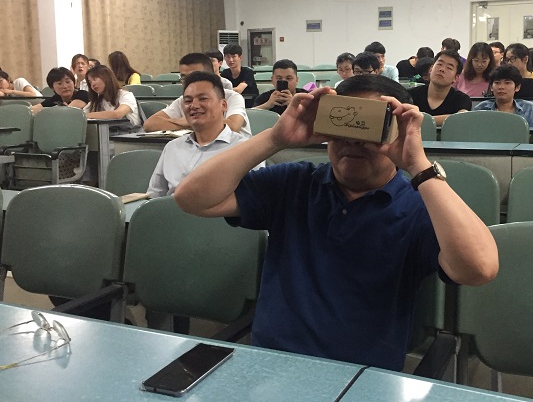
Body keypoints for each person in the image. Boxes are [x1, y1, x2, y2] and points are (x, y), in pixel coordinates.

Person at [173, 75, 499, 371]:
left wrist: (418, 165)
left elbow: (480, 268)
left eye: (369, 126)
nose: (353, 140)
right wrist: (275, 138)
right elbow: (191, 197)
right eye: (343, 122)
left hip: (361, 379)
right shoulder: (295, 182)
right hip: (270, 367)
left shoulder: (417, 206)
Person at [147, 72, 258, 197]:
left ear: (223, 105)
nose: (194, 106)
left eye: (203, 99)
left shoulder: (246, 149)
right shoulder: (172, 148)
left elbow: (256, 200)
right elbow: (154, 196)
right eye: (188, 101)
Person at [144, 53, 250, 135]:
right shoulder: (183, 101)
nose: (187, 82)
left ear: (210, 75)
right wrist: (191, 123)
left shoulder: (232, 97)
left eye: (194, 76)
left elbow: (233, 126)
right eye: (183, 77)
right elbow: (150, 124)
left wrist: (188, 122)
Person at [409, 49, 472, 126]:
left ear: (456, 77)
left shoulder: (462, 99)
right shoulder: (411, 95)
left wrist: (419, 120)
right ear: (431, 69)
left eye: (449, 68)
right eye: (439, 64)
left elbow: (460, 118)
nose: (442, 69)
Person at [84, 65, 141, 131]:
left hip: (130, 133)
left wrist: (87, 116)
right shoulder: (98, 100)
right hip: (108, 134)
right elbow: (81, 114)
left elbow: (117, 114)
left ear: (106, 77)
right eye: (90, 82)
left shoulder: (126, 95)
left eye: (95, 79)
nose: (92, 84)